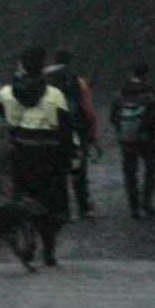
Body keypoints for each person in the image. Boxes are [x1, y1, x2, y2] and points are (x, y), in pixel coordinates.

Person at [0, 45, 73, 266]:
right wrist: (69, 159)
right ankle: (48, 250)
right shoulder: (55, 95)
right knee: (51, 203)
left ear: (21, 65)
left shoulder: (6, 93)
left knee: (23, 202)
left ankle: (28, 241)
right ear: (43, 67)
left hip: (20, 157)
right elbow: (66, 130)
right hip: (50, 159)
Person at [44, 50, 98, 219]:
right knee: (78, 170)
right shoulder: (77, 81)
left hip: (50, 131)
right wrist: (91, 133)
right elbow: (87, 110)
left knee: (58, 172)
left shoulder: (43, 78)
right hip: (74, 131)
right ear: (70, 62)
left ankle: (62, 210)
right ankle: (83, 207)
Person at [110, 63, 155, 219]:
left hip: (127, 140)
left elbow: (113, 118)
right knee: (150, 168)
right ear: (146, 74)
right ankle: (146, 202)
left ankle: (133, 207)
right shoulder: (150, 93)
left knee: (130, 172)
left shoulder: (120, 93)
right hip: (147, 138)